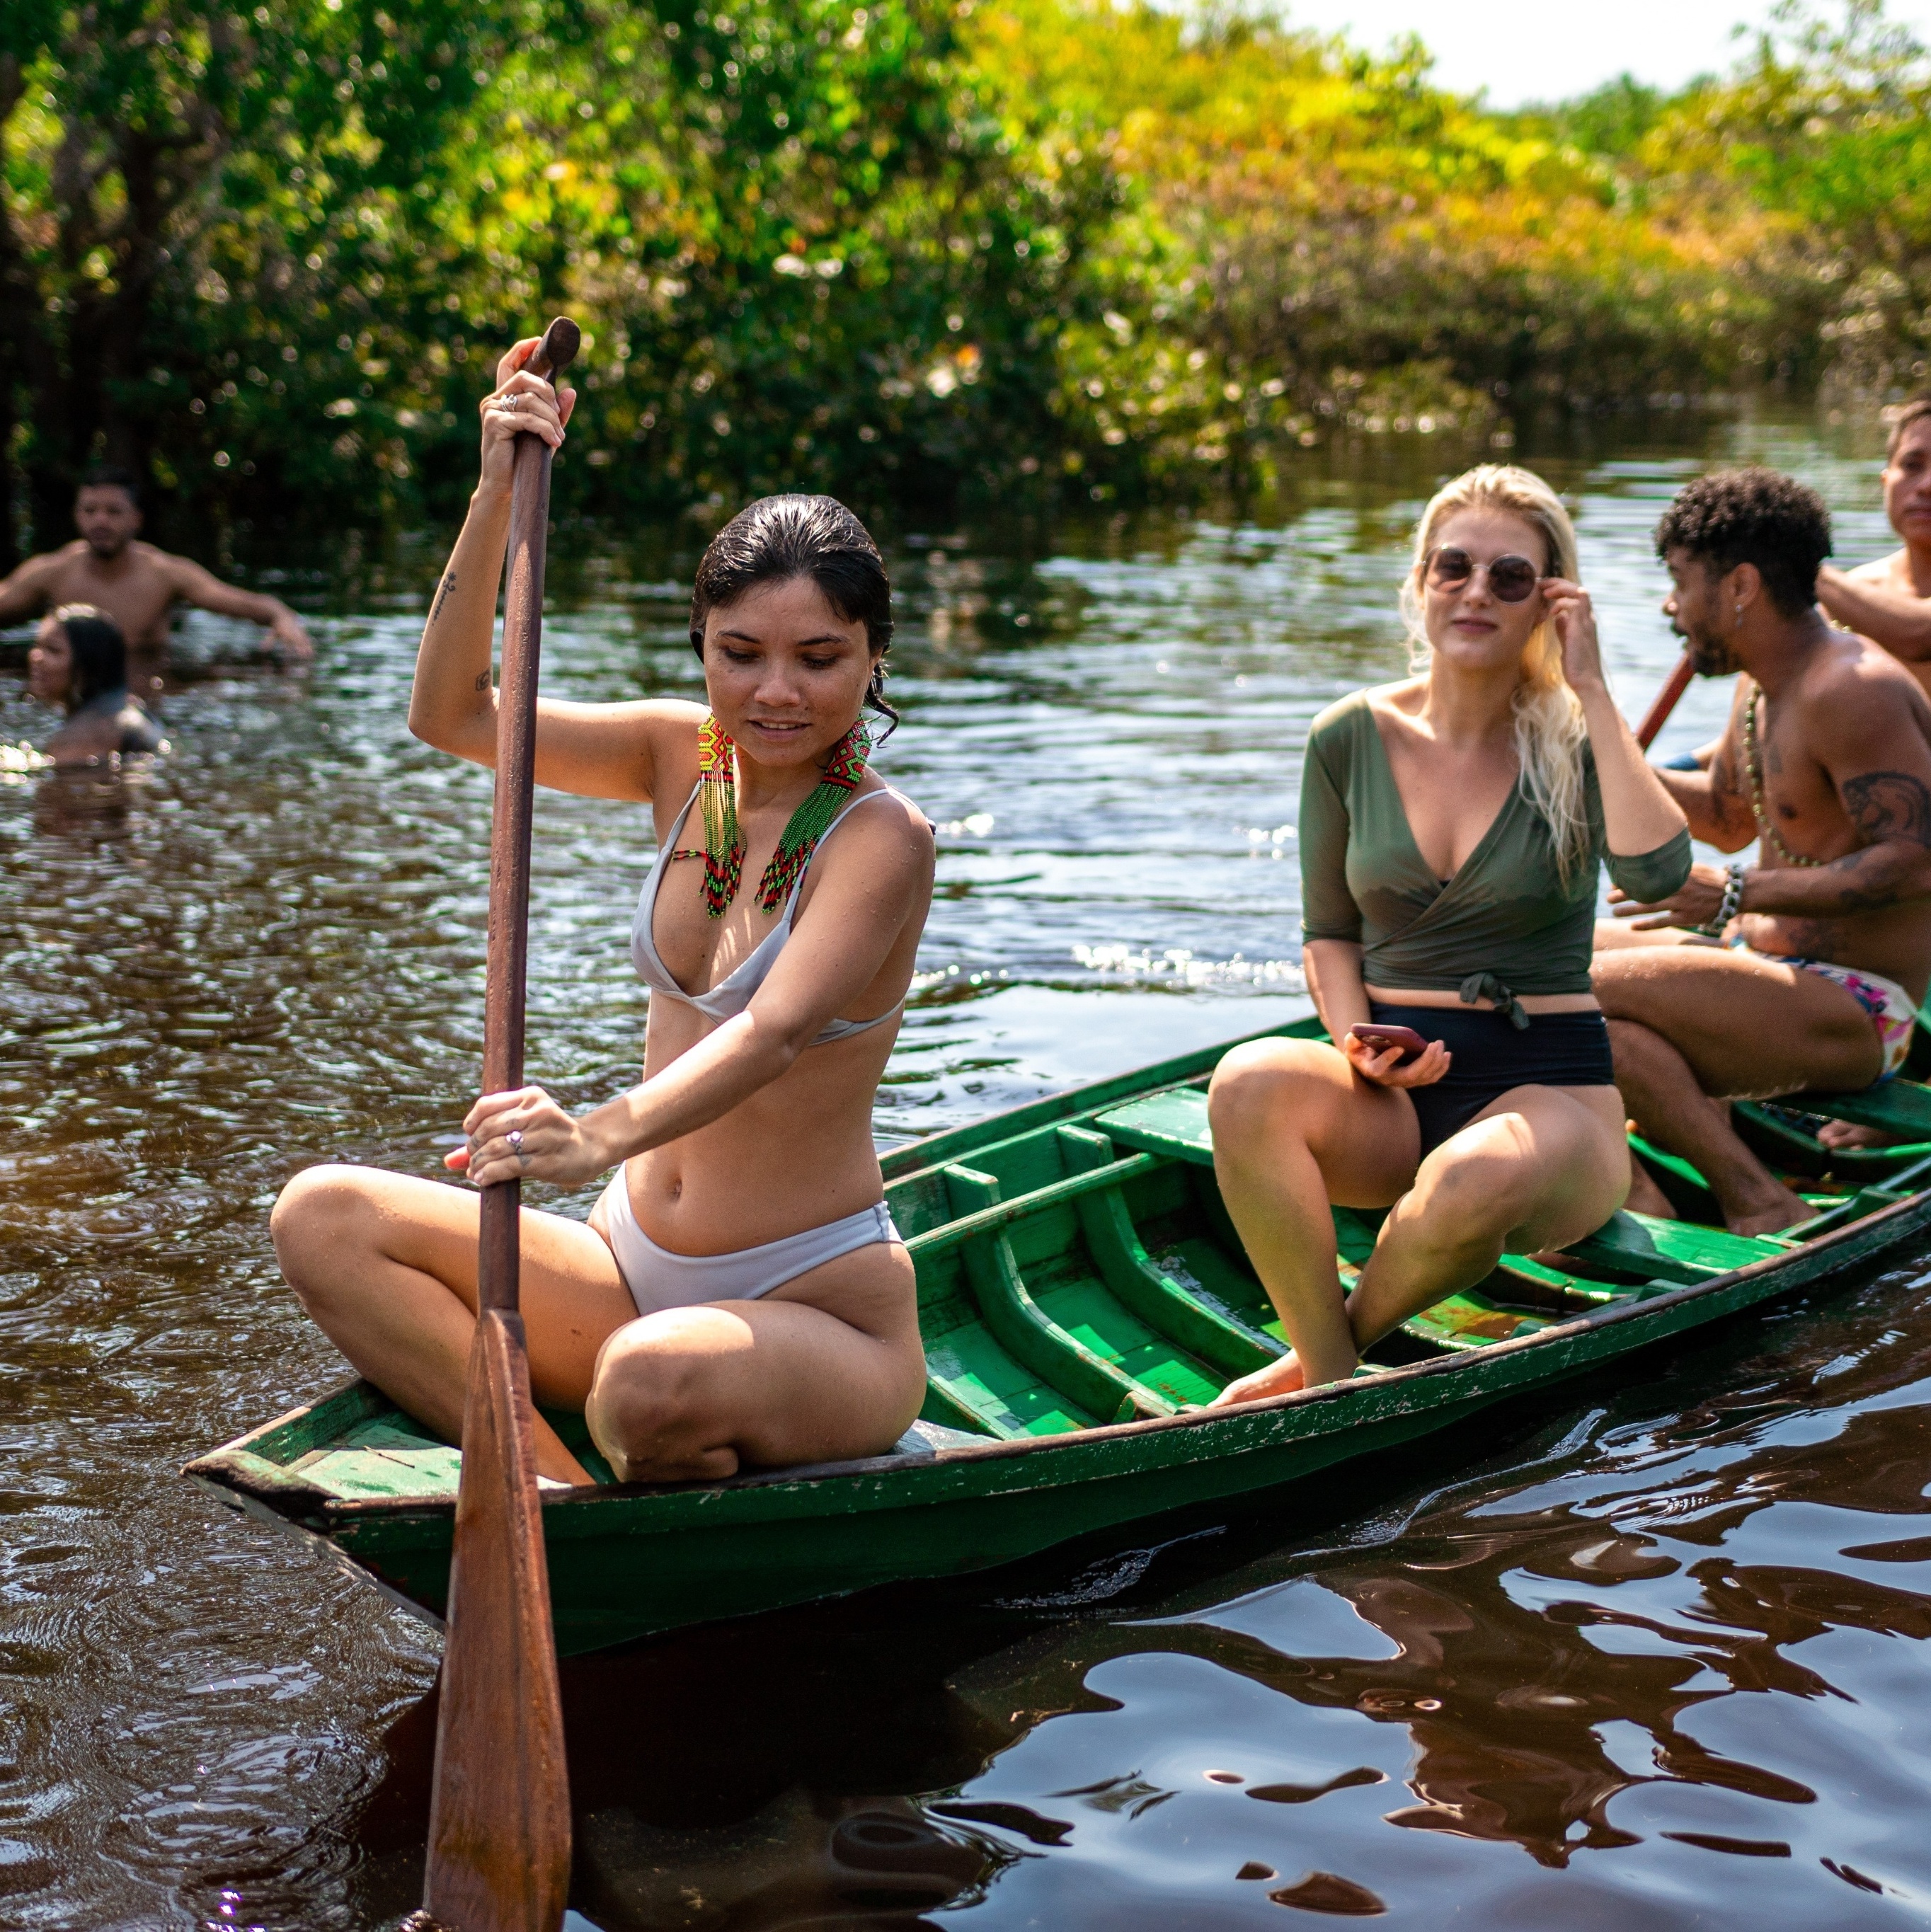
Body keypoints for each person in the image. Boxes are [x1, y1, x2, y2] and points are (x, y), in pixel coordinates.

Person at [269, 338, 936, 1485]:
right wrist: (494, 486)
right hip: (630, 1267)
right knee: (319, 1214)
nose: (776, 691)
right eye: (741, 654)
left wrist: (593, 1136)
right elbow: (452, 713)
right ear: (702, 649)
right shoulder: (677, 757)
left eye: (819, 658)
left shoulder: (883, 837)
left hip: (816, 1304)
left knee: (642, 1382)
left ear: (872, 655)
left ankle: (596, 1494)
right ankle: (543, 1497)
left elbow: (770, 1035)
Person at [1205, 465, 1690, 1403]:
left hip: (1552, 1095)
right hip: (1391, 1091)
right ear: (1421, 580)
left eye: (1510, 577)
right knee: (1247, 1080)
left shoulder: (1575, 737)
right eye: (1452, 567)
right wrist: (1354, 1040)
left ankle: (1317, 1363)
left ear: (1549, 600)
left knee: (1471, 1177)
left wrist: (1590, 688)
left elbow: (1659, 874)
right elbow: (1330, 934)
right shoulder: (1346, 735)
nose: (1475, 591)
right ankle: (1338, 1381)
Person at [1592, 469, 1931, 1235]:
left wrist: (1734, 895)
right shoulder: (1762, 685)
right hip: (1763, 969)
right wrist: (1593, 735)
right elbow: (1723, 817)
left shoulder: (1851, 688)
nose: (1670, 607)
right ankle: (1647, 1179)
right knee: (1535, 963)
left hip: (1860, 1008)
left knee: (1575, 988)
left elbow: (1916, 862)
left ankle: (1753, 1200)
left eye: (1680, 582)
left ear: (1739, 584)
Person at [0, 467, 313, 696]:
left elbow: (246, 603)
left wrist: (282, 617)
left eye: (113, 512)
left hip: (144, 685)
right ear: (76, 515)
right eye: (90, 511)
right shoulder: (52, 571)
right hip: (69, 690)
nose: (100, 521)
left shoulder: (166, 573)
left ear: (136, 519)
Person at [1816, 396, 1931, 680]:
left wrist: (1797, 566)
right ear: (1886, 481)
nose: (1928, 486)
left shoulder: (1837, 593)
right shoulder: (1849, 594)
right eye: (1912, 465)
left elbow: (1919, 634)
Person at [26, 604, 167, 766]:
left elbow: (55, 771)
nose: (35, 657)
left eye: (53, 650)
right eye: (37, 646)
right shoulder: (129, 708)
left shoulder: (89, 731)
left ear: (86, 666)